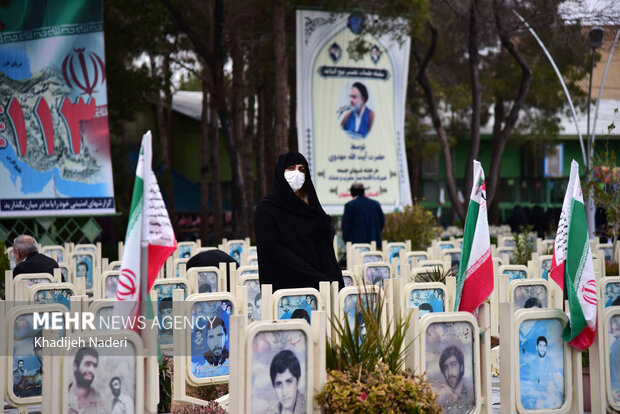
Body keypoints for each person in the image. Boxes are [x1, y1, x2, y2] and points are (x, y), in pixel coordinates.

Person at [254, 151, 344, 292]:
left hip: (320, 286)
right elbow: (272, 249)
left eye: (301, 169)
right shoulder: (266, 209)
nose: (297, 173)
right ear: (280, 172)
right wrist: (311, 274)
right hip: (287, 289)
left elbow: (325, 239)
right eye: (291, 169)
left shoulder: (310, 208)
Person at [341, 182, 385, 248]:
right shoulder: (375, 204)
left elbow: (346, 227)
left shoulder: (350, 206)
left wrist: (347, 241)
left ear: (352, 193)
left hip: (356, 246)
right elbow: (382, 222)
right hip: (374, 244)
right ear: (363, 191)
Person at [437, 345, 474, 413]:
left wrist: (453, 399)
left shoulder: (471, 390)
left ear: (461, 367)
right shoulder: (443, 393)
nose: (450, 372)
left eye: (453, 365)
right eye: (445, 368)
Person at [266, 350, 305, 414]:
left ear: (298, 381)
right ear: (274, 386)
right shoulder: (270, 411)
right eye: (279, 384)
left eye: (289, 382)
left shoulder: (307, 407)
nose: (284, 393)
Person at [68, 347, 104, 414]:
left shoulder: (100, 400)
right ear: (75, 365)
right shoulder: (62, 394)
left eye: (94, 366)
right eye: (88, 364)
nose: (91, 370)